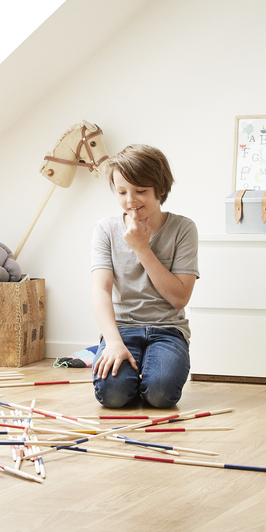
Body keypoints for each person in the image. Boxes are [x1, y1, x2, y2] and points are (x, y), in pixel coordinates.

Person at [91, 145, 198, 409]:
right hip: (122, 329)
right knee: (113, 396)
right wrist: (113, 342)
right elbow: (101, 290)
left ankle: (148, 377)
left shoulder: (183, 229)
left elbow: (179, 298)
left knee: (161, 396)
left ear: (160, 189)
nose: (131, 201)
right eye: (122, 192)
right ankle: (129, 376)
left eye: (140, 191)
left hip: (167, 331)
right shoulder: (106, 229)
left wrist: (141, 247)